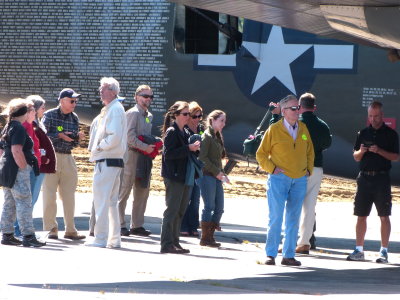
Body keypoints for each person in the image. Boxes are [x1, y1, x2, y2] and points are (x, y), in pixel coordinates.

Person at [256, 94, 314, 266]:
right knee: (275, 217)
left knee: (293, 218)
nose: (298, 111)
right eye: (294, 108)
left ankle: (288, 255)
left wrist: (308, 170)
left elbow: (310, 151)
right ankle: (271, 254)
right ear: (283, 111)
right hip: (279, 179)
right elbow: (260, 154)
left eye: (299, 108)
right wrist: (272, 169)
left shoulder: (303, 129)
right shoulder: (273, 130)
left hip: (299, 180)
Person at [347, 101, 399, 263]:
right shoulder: (362, 133)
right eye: (370, 116)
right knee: (361, 215)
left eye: (376, 116)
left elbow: (396, 157)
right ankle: (359, 249)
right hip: (364, 178)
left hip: (381, 178)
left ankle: (383, 251)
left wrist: (379, 151)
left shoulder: (391, 134)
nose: (373, 119)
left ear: (382, 115)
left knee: (384, 215)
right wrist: (361, 151)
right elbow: (355, 157)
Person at [85, 77, 127, 248]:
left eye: (104, 88)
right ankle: (114, 239)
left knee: (102, 200)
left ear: (113, 91)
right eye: (101, 88)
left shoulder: (115, 109)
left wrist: (99, 147)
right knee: (110, 202)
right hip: (112, 160)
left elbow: (114, 136)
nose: (100, 91)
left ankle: (101, 238)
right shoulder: (112, 109)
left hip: (107, 160)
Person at [0, 98, 45, 247]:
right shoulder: (19, 128)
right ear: (24, 112)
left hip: (7, 169)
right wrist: (24, 167)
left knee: (9, 202)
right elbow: (16, 150)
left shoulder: (8, 126)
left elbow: (2, 150)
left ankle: (7, 234)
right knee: (24, 201)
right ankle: (28, 235)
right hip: (17, 169)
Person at [41, 88, 86, 240]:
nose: (75, 103)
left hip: (68, 157)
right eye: (72, 100)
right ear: (62, 101)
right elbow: (43, 136)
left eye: (76, 101)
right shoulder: (49, 115)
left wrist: (77, 139)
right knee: (49, 194)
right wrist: (59, 135)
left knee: (69, 195)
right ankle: (50, 229)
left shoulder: (74, 118)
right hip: (52, 157)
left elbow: (74, 143)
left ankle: (70, 229)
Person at [160, 101, 201, 254]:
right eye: (185, 114)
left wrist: (194, 149)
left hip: (184, 176)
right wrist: (187, 148)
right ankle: (166, 243)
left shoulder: (184, 131)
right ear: (176, 115)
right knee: (172, 210)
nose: (187, 117)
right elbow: (169, 154)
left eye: (188, 114)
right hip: (174, 176)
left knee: (180, 211)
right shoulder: (172, 131)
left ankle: (175, 242)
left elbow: (185, 152)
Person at [117, 85, 155, 237]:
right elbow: (129, 137)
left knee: (142, 190)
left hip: (144, 157)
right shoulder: (132, 113)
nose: (148, 99)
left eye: (150, 97)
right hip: (131, 155)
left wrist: (153, 144)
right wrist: (145, 147)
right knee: (124, 190)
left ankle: (137, 225)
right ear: (136, 97)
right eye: (145, 96)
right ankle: (119, 224)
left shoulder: (148, 115)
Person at [198, 110, 228, 247]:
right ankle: (206, 238)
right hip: (207, 175)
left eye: (224, 121)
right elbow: (202, 158)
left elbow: (217, 159)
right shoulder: (207, 136)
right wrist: (217, 172)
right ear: (213, 120)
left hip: (216, 176)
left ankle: (210, 235)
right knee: (209, 206)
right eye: (221, 120)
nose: (224, 123)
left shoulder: (216, 136)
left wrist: (222, 173)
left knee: (219, 207)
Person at [180, 101, 205, 237]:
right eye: (194, 116)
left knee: (196, 199)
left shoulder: (200, 128)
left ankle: (193, 225)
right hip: (188, 167)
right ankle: (183, 225)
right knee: (186, 198)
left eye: (199, 116)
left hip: (198, 168)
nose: (197, 119)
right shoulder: (184, 130)